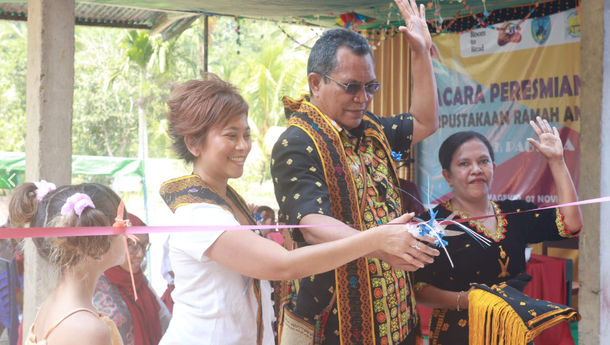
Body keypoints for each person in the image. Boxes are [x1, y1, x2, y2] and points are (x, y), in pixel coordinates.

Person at [158, 73, 431, 345]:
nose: (243, 146)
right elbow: (282, 265)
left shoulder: (227, 198)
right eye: (231, 135)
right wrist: (376, 239)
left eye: (246, 134)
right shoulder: (198, 213)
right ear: (193, 143)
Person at [270, 0, 440, 343]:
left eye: (371, 87)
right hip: (337, 319)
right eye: (351, 87)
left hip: (395, 314)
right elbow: (312, 224)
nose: (363, 98)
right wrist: (379, 243)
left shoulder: (370, 127)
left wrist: (421, 53)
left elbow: (425, 121)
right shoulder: (297, 142)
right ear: (316, 83)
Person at [413, 117, 583, 345]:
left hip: (513, 330)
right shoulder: (433, 224)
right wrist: (467, 301)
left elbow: (571, 225)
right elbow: (419, 288)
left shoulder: (515, 213)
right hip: (459, 333)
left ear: (493, 167)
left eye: (484, 161)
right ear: (447, 175)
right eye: (464, 164)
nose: (476, 170)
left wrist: (557, 161)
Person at [8, 182, 126, 345]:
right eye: (123, 225)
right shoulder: (87, 330)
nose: (130, 233)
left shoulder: (54, 305)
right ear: (97, 245)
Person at [94, 214, 171, 345]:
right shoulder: (98, 284)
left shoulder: (139, 281)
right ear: (118, 244)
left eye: (144, 246)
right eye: (134, 246)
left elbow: (165, 318)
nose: (141, 254)